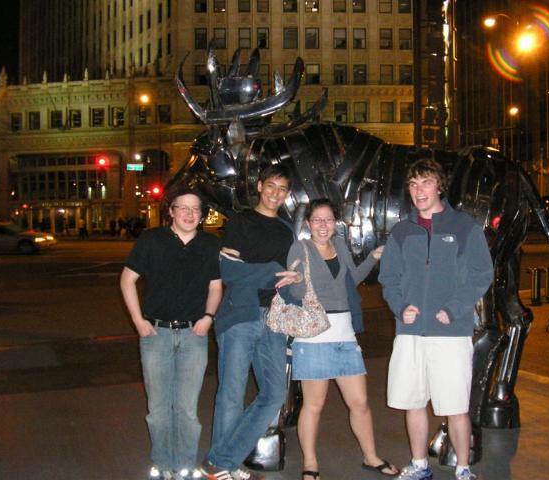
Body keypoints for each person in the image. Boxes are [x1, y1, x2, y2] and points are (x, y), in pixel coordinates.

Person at [378, 158, 493, 480]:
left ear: (439, 186)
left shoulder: (464, 226)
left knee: (455, 407)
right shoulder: (402, 231)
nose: (419, 191)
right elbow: (388, 277)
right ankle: (419, 465)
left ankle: (463, 469)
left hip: (451, 332)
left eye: (425, 183)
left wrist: (455, 308)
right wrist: (400, 307)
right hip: (411, 332)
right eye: (413, 185)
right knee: (412, 402)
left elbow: (481, 273)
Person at [285, 199, 399, 480]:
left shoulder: (341, 246)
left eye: (328, 220)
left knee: (359, 402)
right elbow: (298, 294)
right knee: (314, 404)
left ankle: (370, 457)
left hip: (344, 334)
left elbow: (352, 279)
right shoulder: (300, 248)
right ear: (308, 224)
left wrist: (374, 256)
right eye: (317, 220)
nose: (323, 225)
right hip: (313, 336)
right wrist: (296, 278)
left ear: (335, 223)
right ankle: (310, 464)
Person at [201, 164, 300, 480]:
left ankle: (222, 460)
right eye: (271, 186)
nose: (276, 193)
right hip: (239, 316)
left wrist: (291, 281)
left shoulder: (286, 231)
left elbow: (289, 279)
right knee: (231, 392)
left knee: (273, 395)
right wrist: (272, 270)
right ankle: (223, 467)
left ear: (287, 194)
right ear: (259, 186)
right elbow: (229, 272)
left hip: (274, 320)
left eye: (282, 189)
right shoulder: (240, 222)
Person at [120, 187, 223, 480]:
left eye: (195, 209)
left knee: (188, 408)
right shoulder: (152, 240)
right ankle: (163, 463)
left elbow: (215, 286)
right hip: (156, 334)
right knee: (159, 408)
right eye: (183, 208)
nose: (190, 214)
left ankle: (186, 464)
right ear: (171, 212)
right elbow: (127, 280)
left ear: (202, 215)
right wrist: (138, 320)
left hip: (194, 334)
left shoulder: (209, 244)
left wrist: (208, 317)